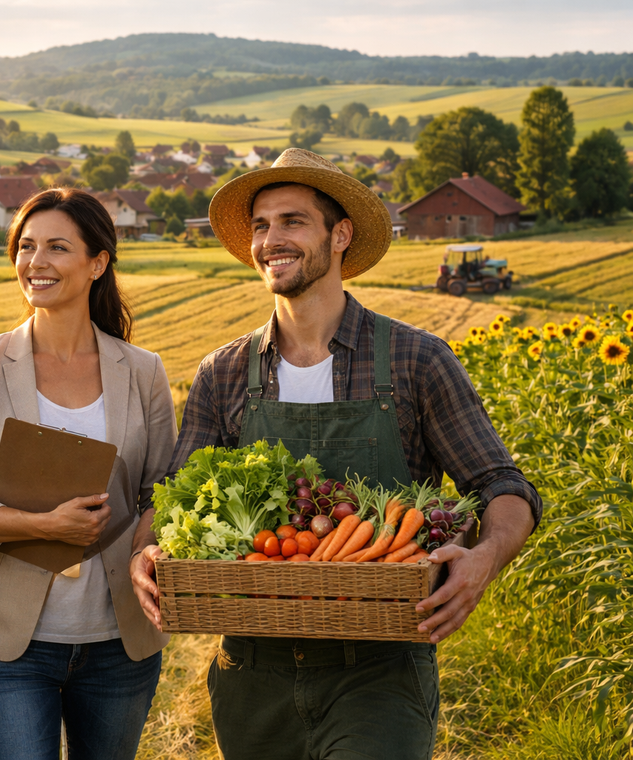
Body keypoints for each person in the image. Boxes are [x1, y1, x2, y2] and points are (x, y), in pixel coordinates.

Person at [128, 149, 543, 760]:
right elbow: (172, 496)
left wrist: (483, 559)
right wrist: (147, 550)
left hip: (379, 670)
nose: (272, 240)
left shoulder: (415, 359)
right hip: (251, 669)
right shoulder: (223, 373)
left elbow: (504, 484)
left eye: (292, 221)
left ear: (340, 234)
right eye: (262, 226)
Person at [0, 188, 175, 760]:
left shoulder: (142, 371)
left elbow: (162, 492)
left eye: (57, 247)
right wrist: (43, 526)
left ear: (98, 262)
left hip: (120, 640)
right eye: (26, 246)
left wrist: (148, 544)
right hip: (7, 640)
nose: (35, 262)